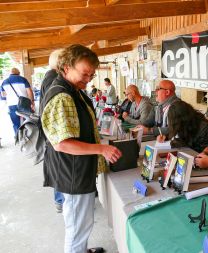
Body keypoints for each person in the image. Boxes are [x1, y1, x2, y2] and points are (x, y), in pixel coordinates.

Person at [40, 44, 122, 253]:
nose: (88, 79)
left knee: (80, 222)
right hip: (73, 172)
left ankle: (81, 250)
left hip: (75, 169)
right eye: (84, 74)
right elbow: (62, 143)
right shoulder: (62, 96)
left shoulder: (72, 89)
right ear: (66, 67)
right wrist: (101, 149)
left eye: (91, 75)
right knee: (78, 226)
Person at [40, 48, 66, 213]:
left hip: (53, 137)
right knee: (60, 168)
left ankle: (60, 200)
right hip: (57, 138)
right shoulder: (54, 80)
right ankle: (61, 201)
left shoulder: (49, 78)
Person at [0, 67, 35, 135]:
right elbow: (29, 92)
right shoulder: (23, 79)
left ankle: (18, 138)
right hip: (24, 103)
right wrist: (32, 102)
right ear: (18, 73)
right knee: (27, 121)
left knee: (16, 124)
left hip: (11, 104)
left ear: (10, 73)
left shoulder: (4, 82)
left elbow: (3, 95)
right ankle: (27, 137)